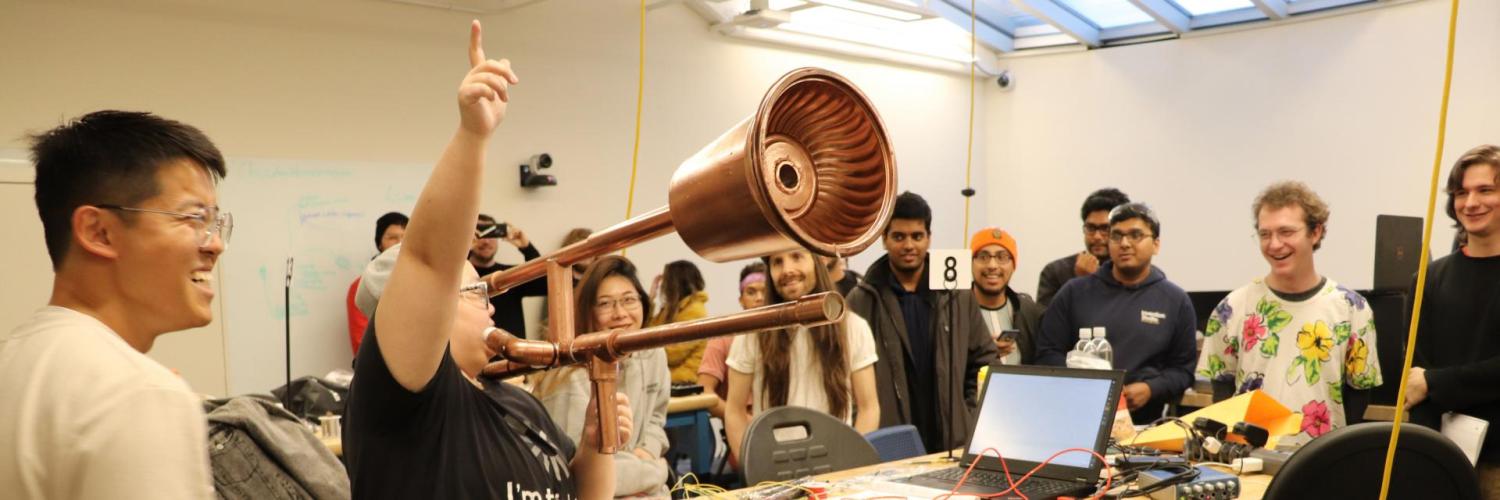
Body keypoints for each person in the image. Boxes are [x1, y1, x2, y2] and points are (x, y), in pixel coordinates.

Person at [342, 22, 628, 499]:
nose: (491, 305)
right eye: (477, 292)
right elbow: (430, 262)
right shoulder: (401, 396)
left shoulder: (518, 403)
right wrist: (473, 137)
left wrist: (597, 447)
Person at [0, 110, 228, 499]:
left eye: (215, 223)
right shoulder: (138, 394)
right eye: (193, 218)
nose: (214, 244)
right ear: (98, 231)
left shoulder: (16, 360)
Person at [1196, 182, 1381, 439]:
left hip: (1321, 458)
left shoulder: (1352, 308)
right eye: (1265, 234)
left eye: (1286, 232)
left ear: (1315, 232)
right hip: (1247, 460)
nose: (1274, 244)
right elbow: (1221, 390)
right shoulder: (1231, 308)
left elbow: (1359, 391)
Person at [846, 191, 999, 454]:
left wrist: (968, 412)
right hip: (889, 442)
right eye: (898, 236)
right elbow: (845, 375)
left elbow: (985, 358)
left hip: (952, 441)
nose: (909, 245)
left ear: (929, 238)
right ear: (883, 239)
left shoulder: (957, 294)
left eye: (917, 236)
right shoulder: (861, 299)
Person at [1035, 202, 1197, 424]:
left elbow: (1183, 370)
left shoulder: (1176, 301)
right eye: (1116, 236)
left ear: (1156, 244)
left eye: (1135, 235)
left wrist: (1150, 389)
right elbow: (1046, 354)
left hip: (1144, 427)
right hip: (1075, 418)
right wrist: (1085, 382)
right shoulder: (1074, 292)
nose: (1124, 243)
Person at [532, 256, 672, 498]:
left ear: (643, 303)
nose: (620, 314)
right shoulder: (569, 376)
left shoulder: (653, 354)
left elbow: (656, 418)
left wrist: (647, 451)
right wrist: (656, 472)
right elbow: (577, 473)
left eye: (629, 300)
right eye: (605, 304)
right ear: (588, 312)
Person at [725, 249, 880, 460]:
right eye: (777, 262)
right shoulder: (753, 333)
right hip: (775, 468)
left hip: (836, 469)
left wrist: (851, 463)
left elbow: (869, 407)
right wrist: (752, 468)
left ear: (819, 261)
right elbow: (734, 410)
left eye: (797, 257)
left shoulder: (853, 327)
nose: (787, 269)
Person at [1407, 144, 1500, 492]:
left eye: (1485, 190)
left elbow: (1425, 381)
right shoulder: (1429, 278)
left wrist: (1435, 382)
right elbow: (1415, 377)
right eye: (1462, 192)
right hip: (1441, 459)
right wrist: (1426, 455)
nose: (1471, 202)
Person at [1037, 188, 1131, 307]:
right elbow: (1046, 323)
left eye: (1105, 229)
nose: (1097, 236)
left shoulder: (1133, 272)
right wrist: (1081, 284)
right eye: (1091, 228)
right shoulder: (1056, 272)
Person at [698, 262, 768, 418]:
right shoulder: (723, 338)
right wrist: (739, 419)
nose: (759, 298)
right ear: (741, 299)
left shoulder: (790, 334)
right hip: (744, 429)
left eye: (765, 291)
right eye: (751, 292)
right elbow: (704, 390)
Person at [970, 227, 1043, 365]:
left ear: (1013, 265)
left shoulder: (1027, 310)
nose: (992, 265)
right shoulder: (954, 311)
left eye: (1002, 257)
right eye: (983, 257)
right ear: (971, 263)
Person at [470, 214, 547, 337]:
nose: (486, 240)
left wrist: (527, 247)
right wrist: (464, 249)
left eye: (491, 233)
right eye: (479, 234)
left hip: (512, 353)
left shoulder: (510, 275)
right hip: (469, 352)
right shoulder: (461, 275)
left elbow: (545, 284)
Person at [348, 211, 407, 355]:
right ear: (380, 244)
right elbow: (360, 342)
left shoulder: (426, 284)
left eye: (406, 237)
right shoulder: (362, 286)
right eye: (392, 238)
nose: (400, 243)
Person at [649, 259, 710, 384]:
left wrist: (648, 347)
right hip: (668, 380)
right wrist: (650, 299)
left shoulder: (695, 311)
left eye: (666, 281)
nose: (663, 286)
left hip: (683, 382)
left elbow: (673, 354)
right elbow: (647, 332)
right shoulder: (672, 310)